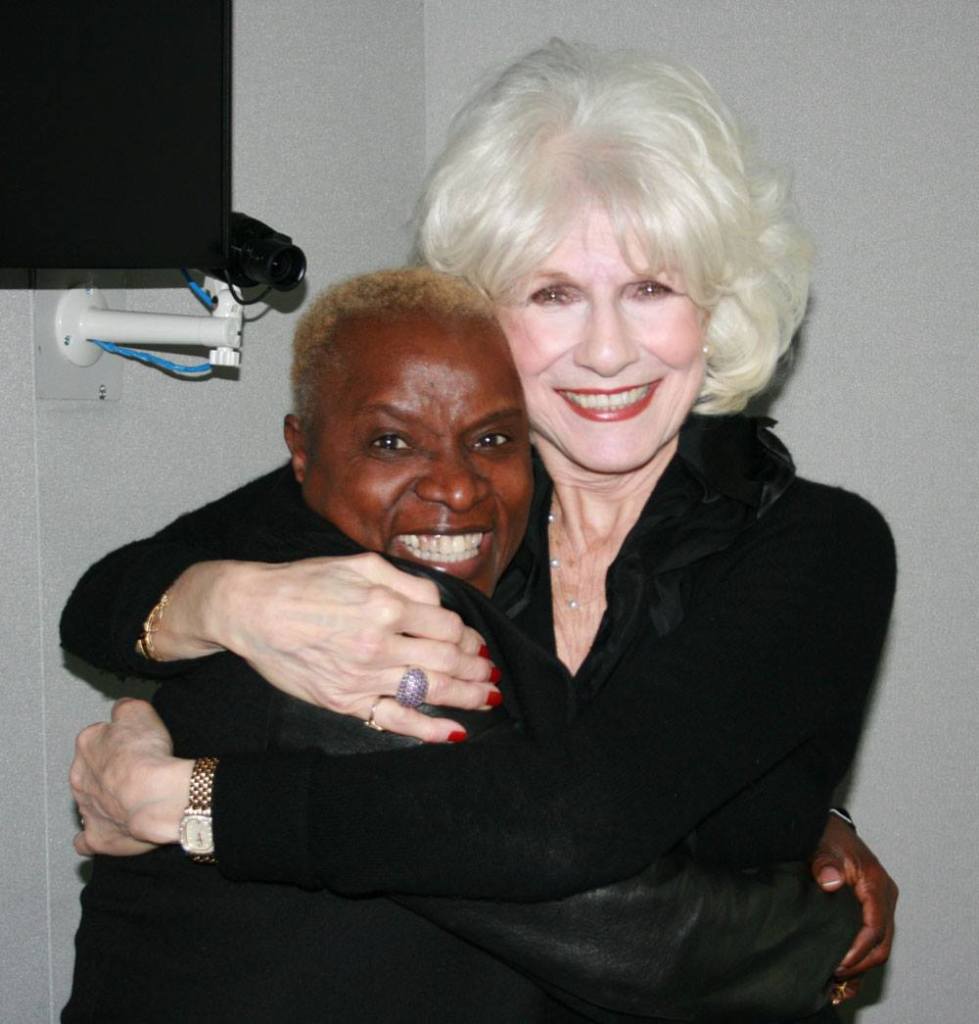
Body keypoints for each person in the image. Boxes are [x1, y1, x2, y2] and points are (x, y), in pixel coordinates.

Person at [66, 40, 897, 1022]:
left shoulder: (815, 545)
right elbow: (109, 598)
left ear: (719, 309)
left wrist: (190, 802)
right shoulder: (443, 491)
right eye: (552, 293)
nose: (605, 350)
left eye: (651, 288)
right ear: (482, 313)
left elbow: (571, 823)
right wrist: (229, 601)